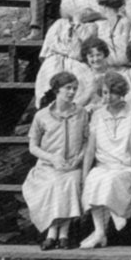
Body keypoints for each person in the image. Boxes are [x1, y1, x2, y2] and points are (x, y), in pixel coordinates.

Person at [23, 71, 88, 250]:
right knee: (53, 183)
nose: (72, 92)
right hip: (48, 166)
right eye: (68, 88)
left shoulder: (81, 113)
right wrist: (52, 158)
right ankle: (53, 232)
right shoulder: (42, 116)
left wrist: (78, 159)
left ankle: (63, 233)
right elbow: (33, 146)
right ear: (56, 90)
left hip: (73, 166)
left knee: (71, 181)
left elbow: (87, 141)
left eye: (75, 88)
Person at [79, 72, 131, 249]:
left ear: (120, 92)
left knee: (110, 180)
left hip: (124, 166)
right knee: (94, 179)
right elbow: (90, 148)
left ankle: (101, 232)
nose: (107, 97)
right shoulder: (98, 114)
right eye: (104, 93)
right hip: (103, 165)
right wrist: (84, 175)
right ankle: (100, 232)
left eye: (111, 92)